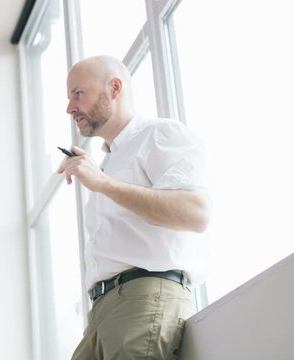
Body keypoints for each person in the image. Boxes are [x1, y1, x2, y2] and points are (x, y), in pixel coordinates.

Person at [58, 55, 210, 360]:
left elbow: (196, 212)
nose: (70, 108)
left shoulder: (160, 135)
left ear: (115, 88)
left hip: (143, 300)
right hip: (103, 310)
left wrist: (103, 183)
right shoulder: (110, 160)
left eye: (78, 94)